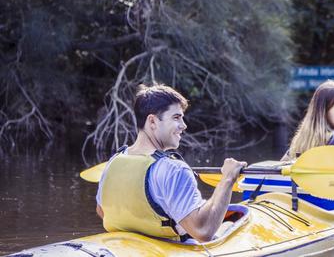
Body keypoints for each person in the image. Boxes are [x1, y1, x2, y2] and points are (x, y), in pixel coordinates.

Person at [95, 84, 246, 243]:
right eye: (176, 117)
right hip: (168, 247)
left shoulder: (114, 161)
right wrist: (228, 179)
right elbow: (203, 231)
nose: (184, 125)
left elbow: (102, 211)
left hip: (127, 246)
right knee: (228, 225)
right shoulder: (174, 169)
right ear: (152, 121)